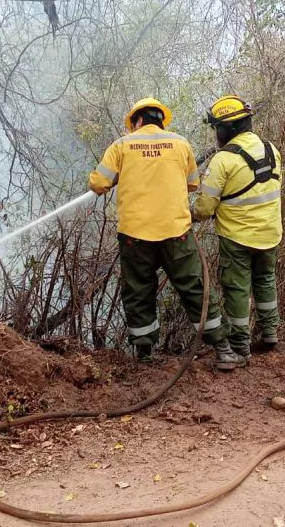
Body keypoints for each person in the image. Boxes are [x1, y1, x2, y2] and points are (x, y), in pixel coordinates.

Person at [88, 98, 244, 370]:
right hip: (176, 234)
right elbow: (192, 183)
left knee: (139, 292)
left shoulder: (122, 146)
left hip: (135, 237)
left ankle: (144, 357)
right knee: (196, 289)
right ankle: (224, 350)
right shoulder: (180, 144)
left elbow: (98, 183)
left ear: (137, 121)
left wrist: (123, 175)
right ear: (161, 120)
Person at [192, 95, 283, 363]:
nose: (215, 134)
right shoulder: (271, 149)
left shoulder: (223, 160)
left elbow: (205, 207)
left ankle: (240, 348)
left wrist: (187, 215)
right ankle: (270, 333)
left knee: (237, 289)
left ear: (227, 129)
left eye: (216, 128)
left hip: (237, 237)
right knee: (265, 280)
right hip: (270, 233)